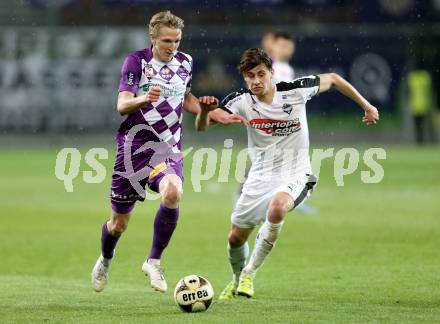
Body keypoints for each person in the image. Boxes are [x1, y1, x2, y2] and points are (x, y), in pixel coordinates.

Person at [197, 48, 379, 299]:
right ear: (244, 78)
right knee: (235, 238)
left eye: (261, 74)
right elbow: (203, 128)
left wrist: (367, 106)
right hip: (259, 178)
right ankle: (237, 279)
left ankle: (249, 273)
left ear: (272, 73)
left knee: (278, 207)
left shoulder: (295, 91)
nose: (256, 81)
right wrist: (206, 113)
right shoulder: (240, 100)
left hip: (297, 173)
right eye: (250, 76)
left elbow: (335, 79)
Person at [91, 11, 209, 293]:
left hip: (167, 148)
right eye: (166, 40)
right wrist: (145, 98)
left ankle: (154, 260)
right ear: (153, 37)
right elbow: (122, 105)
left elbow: (186, 97)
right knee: (118, 224)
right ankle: (106, 259)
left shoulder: (186, 62)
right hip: (133, 150)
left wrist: (210, 112)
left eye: (177, 40)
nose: (172, 46)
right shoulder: (137, 61)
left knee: (172, 192)